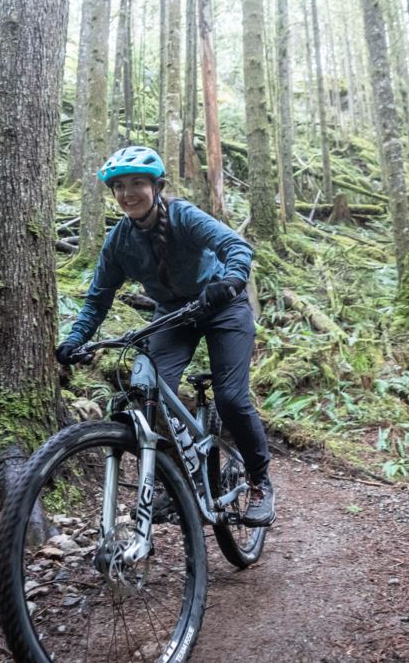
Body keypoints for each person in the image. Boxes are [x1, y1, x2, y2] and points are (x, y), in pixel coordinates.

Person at [56, 145, 275, 527]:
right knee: (147, 396)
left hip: (223, 305)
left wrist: (231, 280)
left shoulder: (183, 216)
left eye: (137, 183)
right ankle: (177, 482)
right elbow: (98, 297)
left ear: (157, 186)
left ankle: (259, 481)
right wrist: (76, 338)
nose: (128, 194)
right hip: (172, 315)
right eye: (119, 187)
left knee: (231, 397)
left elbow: (235, 246)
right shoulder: (119, 241)